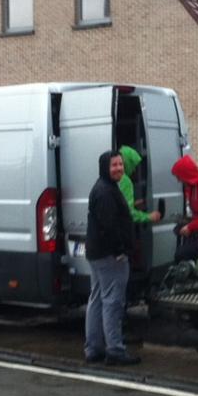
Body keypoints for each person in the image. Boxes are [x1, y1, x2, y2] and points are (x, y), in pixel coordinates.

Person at [83, 150, 140, 367]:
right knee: (112, 302)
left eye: (120, 164)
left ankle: (94, 348)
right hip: (110, 256)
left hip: (97, 254)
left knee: (96, 299)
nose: (118, 168)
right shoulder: (106, 192)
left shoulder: (104, 187)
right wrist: (120, 250)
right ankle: (115, 349)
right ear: (105, 167)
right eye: (114, 165)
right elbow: (109, 226)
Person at [118, 145, 162, 226]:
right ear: (127, 162)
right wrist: (149, 217)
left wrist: (134, 204)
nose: (134, 170)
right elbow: (129, 213)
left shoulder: (112, 177)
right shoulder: (125, 180)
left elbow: (117, 205)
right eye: (133, 165)